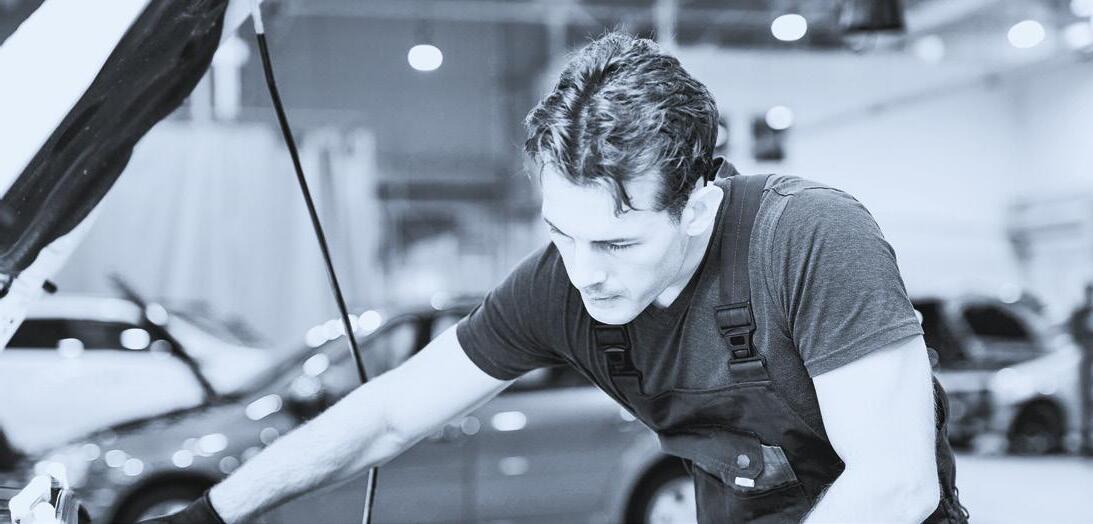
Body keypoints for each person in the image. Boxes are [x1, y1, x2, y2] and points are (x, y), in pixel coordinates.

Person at [149, 32, 966, 523]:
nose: (583, 274)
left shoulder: (809, 239)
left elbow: (895, 486)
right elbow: (390, 413)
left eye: (615, 243)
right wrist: (211, 512)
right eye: (560, 234)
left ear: (697, 205)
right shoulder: (559, 285)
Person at [1067, 283, 1093, 456]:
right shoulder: (1079, 314)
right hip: (1086, 360)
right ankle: (1085, 439)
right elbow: (1075, 336)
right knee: (1085, 400)